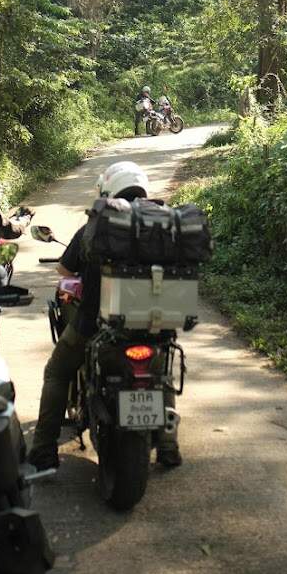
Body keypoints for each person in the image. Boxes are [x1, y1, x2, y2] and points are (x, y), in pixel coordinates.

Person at [27, 160, 181, 471]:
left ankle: (43, 449)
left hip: (95, 325)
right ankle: (168, 446)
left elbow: (65, 270)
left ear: (108, 190)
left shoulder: (97, 225)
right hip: (154, 324)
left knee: (57, 372)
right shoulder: (164, 224)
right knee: (159, 372)